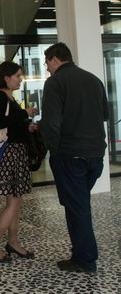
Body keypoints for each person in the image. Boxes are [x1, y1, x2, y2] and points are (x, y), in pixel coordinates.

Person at [41, 42, 108, 273]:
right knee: (80, 204)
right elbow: (104, 115)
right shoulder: (94, 80)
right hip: (96, 155)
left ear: (56, 59)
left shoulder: (55, 82)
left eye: (47, 62)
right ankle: (83, 254)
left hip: (70, 154)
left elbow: (51, 122)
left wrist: (53, 148)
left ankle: (85, 259)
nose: (47, 67)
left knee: (77, 207)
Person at [0, 62, 37, 262]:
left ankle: (13, 242)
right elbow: (0, 122)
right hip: (10, 154)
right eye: (17, 75)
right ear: (6, 78)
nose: (20, 79)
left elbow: (11, 124)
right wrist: (25, 113)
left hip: (15, 152)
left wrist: (27, 127)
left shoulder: (8, 97)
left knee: (16, 200)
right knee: (14, 201)